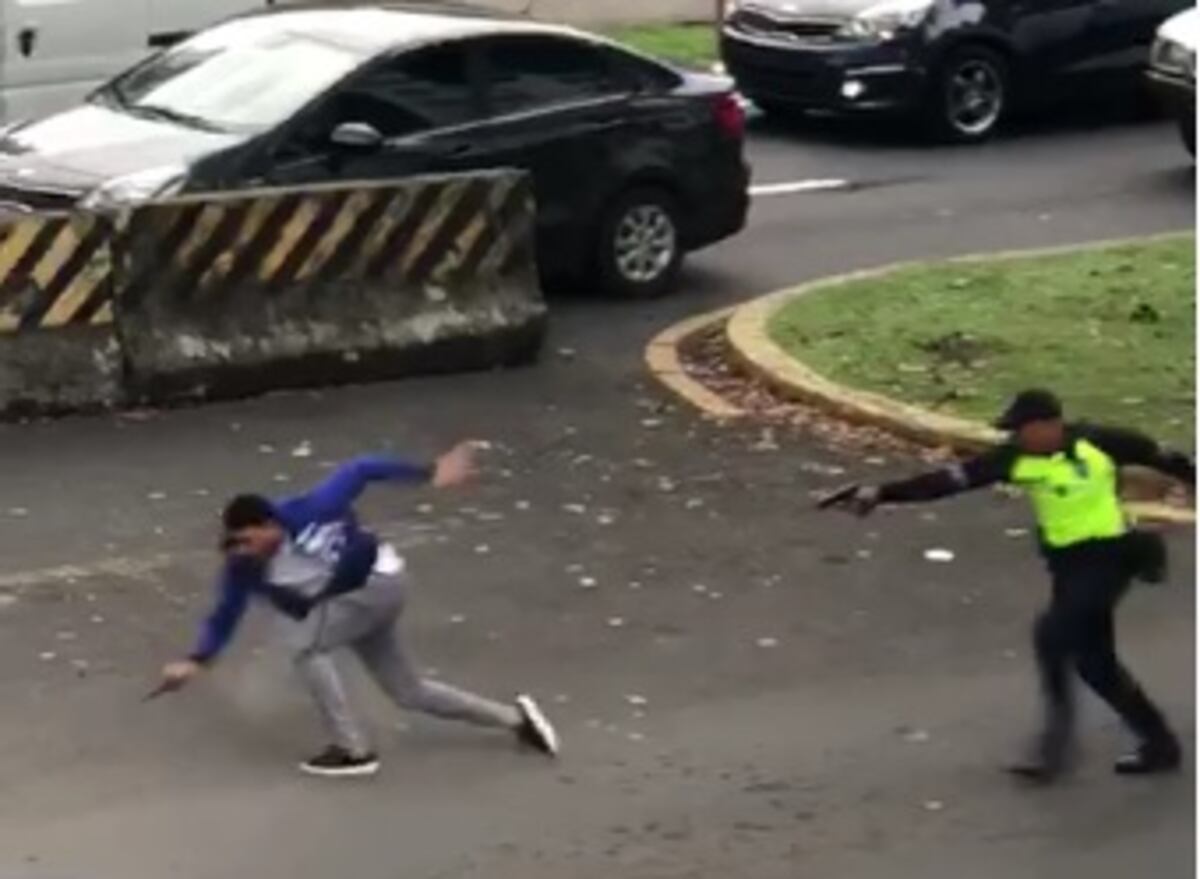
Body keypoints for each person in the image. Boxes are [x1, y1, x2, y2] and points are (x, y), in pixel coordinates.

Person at [822, 389, 1193, 783]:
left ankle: (1054, 748)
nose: (1017, 437)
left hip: (1115, 556)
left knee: (1051, 636)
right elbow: (946, 482)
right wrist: (880, 493)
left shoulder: (1100, 441)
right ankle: (1160, 744)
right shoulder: (1013, 458)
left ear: (1051, 425)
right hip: (1069, 566)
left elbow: (1165, 459)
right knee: (1094, 664)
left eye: (1024, 429)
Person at [157, 441, 559, 778]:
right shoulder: (244, 566)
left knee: (304, 646)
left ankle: (352, 750)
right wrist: (198, 658)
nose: (245, 549)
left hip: (378, 584)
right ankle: (516, 721)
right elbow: (226, 612)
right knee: (408, 691)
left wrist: (429, 472)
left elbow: (362, 468)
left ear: (269, 523)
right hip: (356, 604)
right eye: (237, 543)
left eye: (248, 539)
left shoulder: (312, 508)